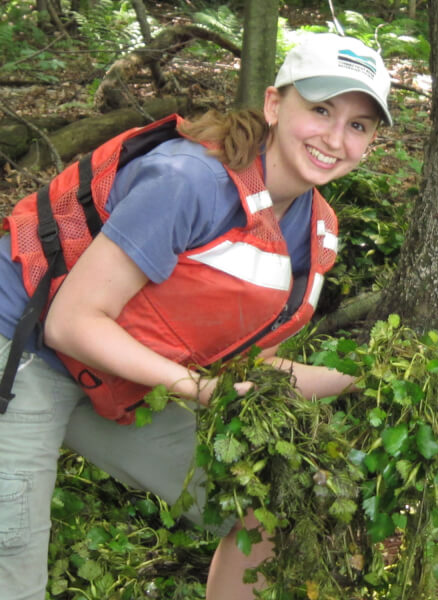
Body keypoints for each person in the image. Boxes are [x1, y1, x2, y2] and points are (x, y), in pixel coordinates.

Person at [0, 31, 392, 600]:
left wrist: (372, 379)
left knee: (269, 505)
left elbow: (252, 369)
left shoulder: (312, 228)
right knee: (13, 558)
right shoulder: (190, 181)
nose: (336, 137)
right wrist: (198, 388)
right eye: (322, 110)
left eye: (358, 125)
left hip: (117, 371)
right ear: (275, 105)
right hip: (25, 344)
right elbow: (71, 323)